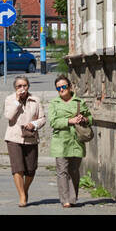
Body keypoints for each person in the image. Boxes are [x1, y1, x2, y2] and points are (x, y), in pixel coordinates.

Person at [48, 74, 93, 208]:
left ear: (70, 87)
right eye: (58, 88)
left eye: (63, 87)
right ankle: (65, 199)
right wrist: (69, 121)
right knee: (62, 170)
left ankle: (73, 198)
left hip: (76, 140)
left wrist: (84, 120)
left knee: (74, 170)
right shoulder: (54, 103)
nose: (61, 90)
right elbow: (53, 121)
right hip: (61, 141)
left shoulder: (79, 102)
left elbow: (90, 118)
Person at [3, 76, 46, 207]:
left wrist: (34, 124)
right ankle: (22, 196)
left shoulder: (35, 100)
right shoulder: (9, 99)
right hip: (14, 137)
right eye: (19, 86)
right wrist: (17, 101)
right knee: (18, 168)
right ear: (15, 88)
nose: (22, 89)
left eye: (25, 86)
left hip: (30, 137)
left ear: (28, 86)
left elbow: (43, 118)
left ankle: (25, 189)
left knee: (31, 169)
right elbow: (9, 116)